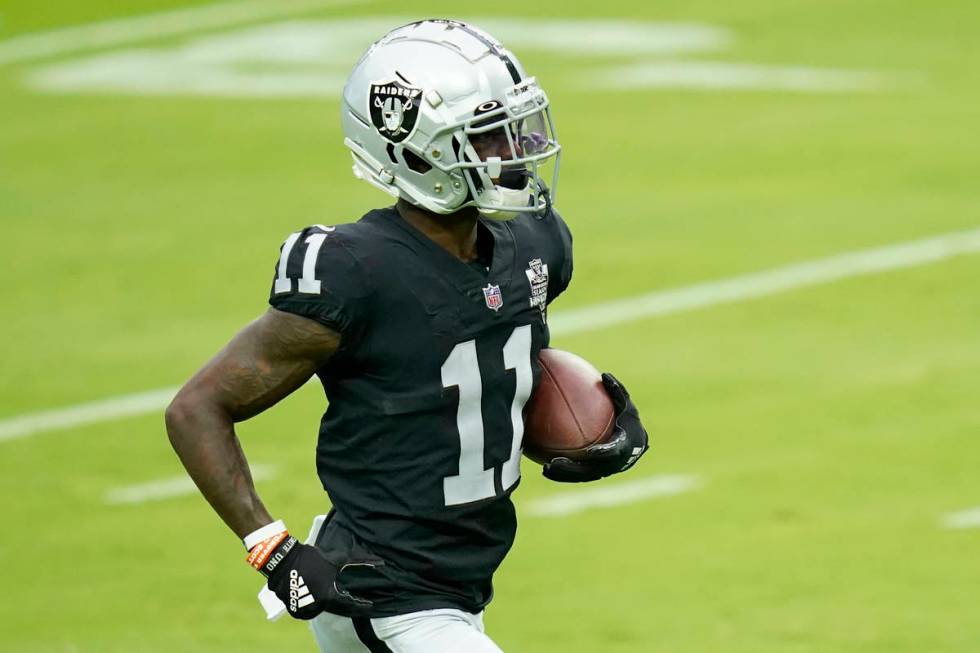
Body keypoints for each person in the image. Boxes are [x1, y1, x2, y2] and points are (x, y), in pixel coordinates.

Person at [165, 19, 648, 653]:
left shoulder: (533, 246)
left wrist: (587, 434)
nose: (516, 148)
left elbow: (468, 381)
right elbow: (196, 408)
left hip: (455, 589)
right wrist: (274, 551)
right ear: (415, 150)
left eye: (512, 127)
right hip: (379, 591)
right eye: (488, 136)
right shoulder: (358, 271)